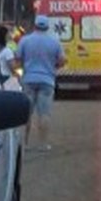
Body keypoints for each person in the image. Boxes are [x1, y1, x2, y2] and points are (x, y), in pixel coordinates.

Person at [15, 14, 66, 150]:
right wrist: (53, 67)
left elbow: (18, 59)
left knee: (26, 113)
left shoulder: (25, 40)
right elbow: (62, 60)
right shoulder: (55, 42)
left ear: (35, 25)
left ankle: (24, 144)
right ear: (47, 26)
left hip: (29, 80)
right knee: (44, 113)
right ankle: (43, 144)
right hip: (47, 81)